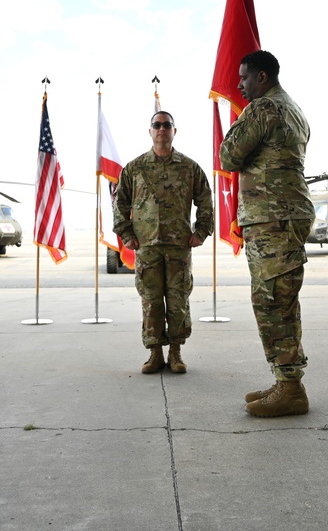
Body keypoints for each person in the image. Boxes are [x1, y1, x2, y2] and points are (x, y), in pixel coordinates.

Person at [220, 50, 315, 418]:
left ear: (262, 77)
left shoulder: (262, 109)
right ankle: (284, 380)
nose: (239, 85)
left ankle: (291, 388)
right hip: (284, 214)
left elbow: (228, 156)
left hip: (273, 217)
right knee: (280, 298)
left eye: (244, 78)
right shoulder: (294, 109)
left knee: (273, 301)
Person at [114, 111, 214, 375]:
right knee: (151, 301)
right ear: (150, 131)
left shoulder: (189, 167)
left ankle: (176, 352)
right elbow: (120, 202)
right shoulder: (135, 168)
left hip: (178, 246)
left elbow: (205, 199)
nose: (161, 129)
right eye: (157, 125)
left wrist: (201, 232)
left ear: (174, 131)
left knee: (178, 299)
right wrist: (127, 234)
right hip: (146, 247)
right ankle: (155, 353)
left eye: (166, 125)